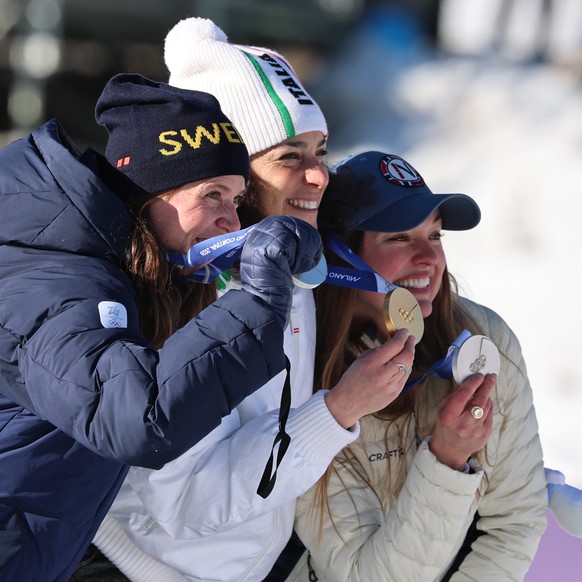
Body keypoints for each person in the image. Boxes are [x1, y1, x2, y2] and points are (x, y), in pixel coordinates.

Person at [90, 18, 416, 582]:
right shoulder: (176, 294)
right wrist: (340, 408)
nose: (319, 176)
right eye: (290, 156)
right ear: (229, 168)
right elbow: (191, 502)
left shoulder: (289, 260)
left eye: (321, 151)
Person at [0, 72, 324, 581]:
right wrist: (260, 299)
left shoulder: (118, 272)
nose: (232, 225)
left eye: (237, 201)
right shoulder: (59, 284)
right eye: (212, 195)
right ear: (147, 195)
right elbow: (137, 420)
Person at [288, 151, 548, 580]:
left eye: (436, 236)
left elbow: (516, 522)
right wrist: (447, 460)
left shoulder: (487, 337)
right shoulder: (303, 371)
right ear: (340, 259)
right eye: (398, 238)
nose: (430, 259)